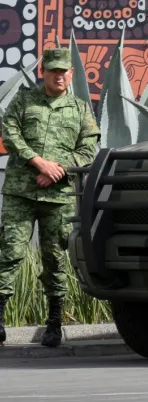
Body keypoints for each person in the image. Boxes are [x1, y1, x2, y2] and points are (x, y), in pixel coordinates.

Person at [0, 49, 100, 347]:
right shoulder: (24, 99)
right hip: (21, 192)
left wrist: (57, 172)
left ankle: (54, 325)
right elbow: (10, 132)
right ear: (43, 71)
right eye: (52, 70)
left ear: (71, 73)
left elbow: (88, 149)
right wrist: (37, 162)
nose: (58, 76)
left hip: (58, 197)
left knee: (55, 258)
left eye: (63, 71)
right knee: (10, 253)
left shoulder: (81, 109)